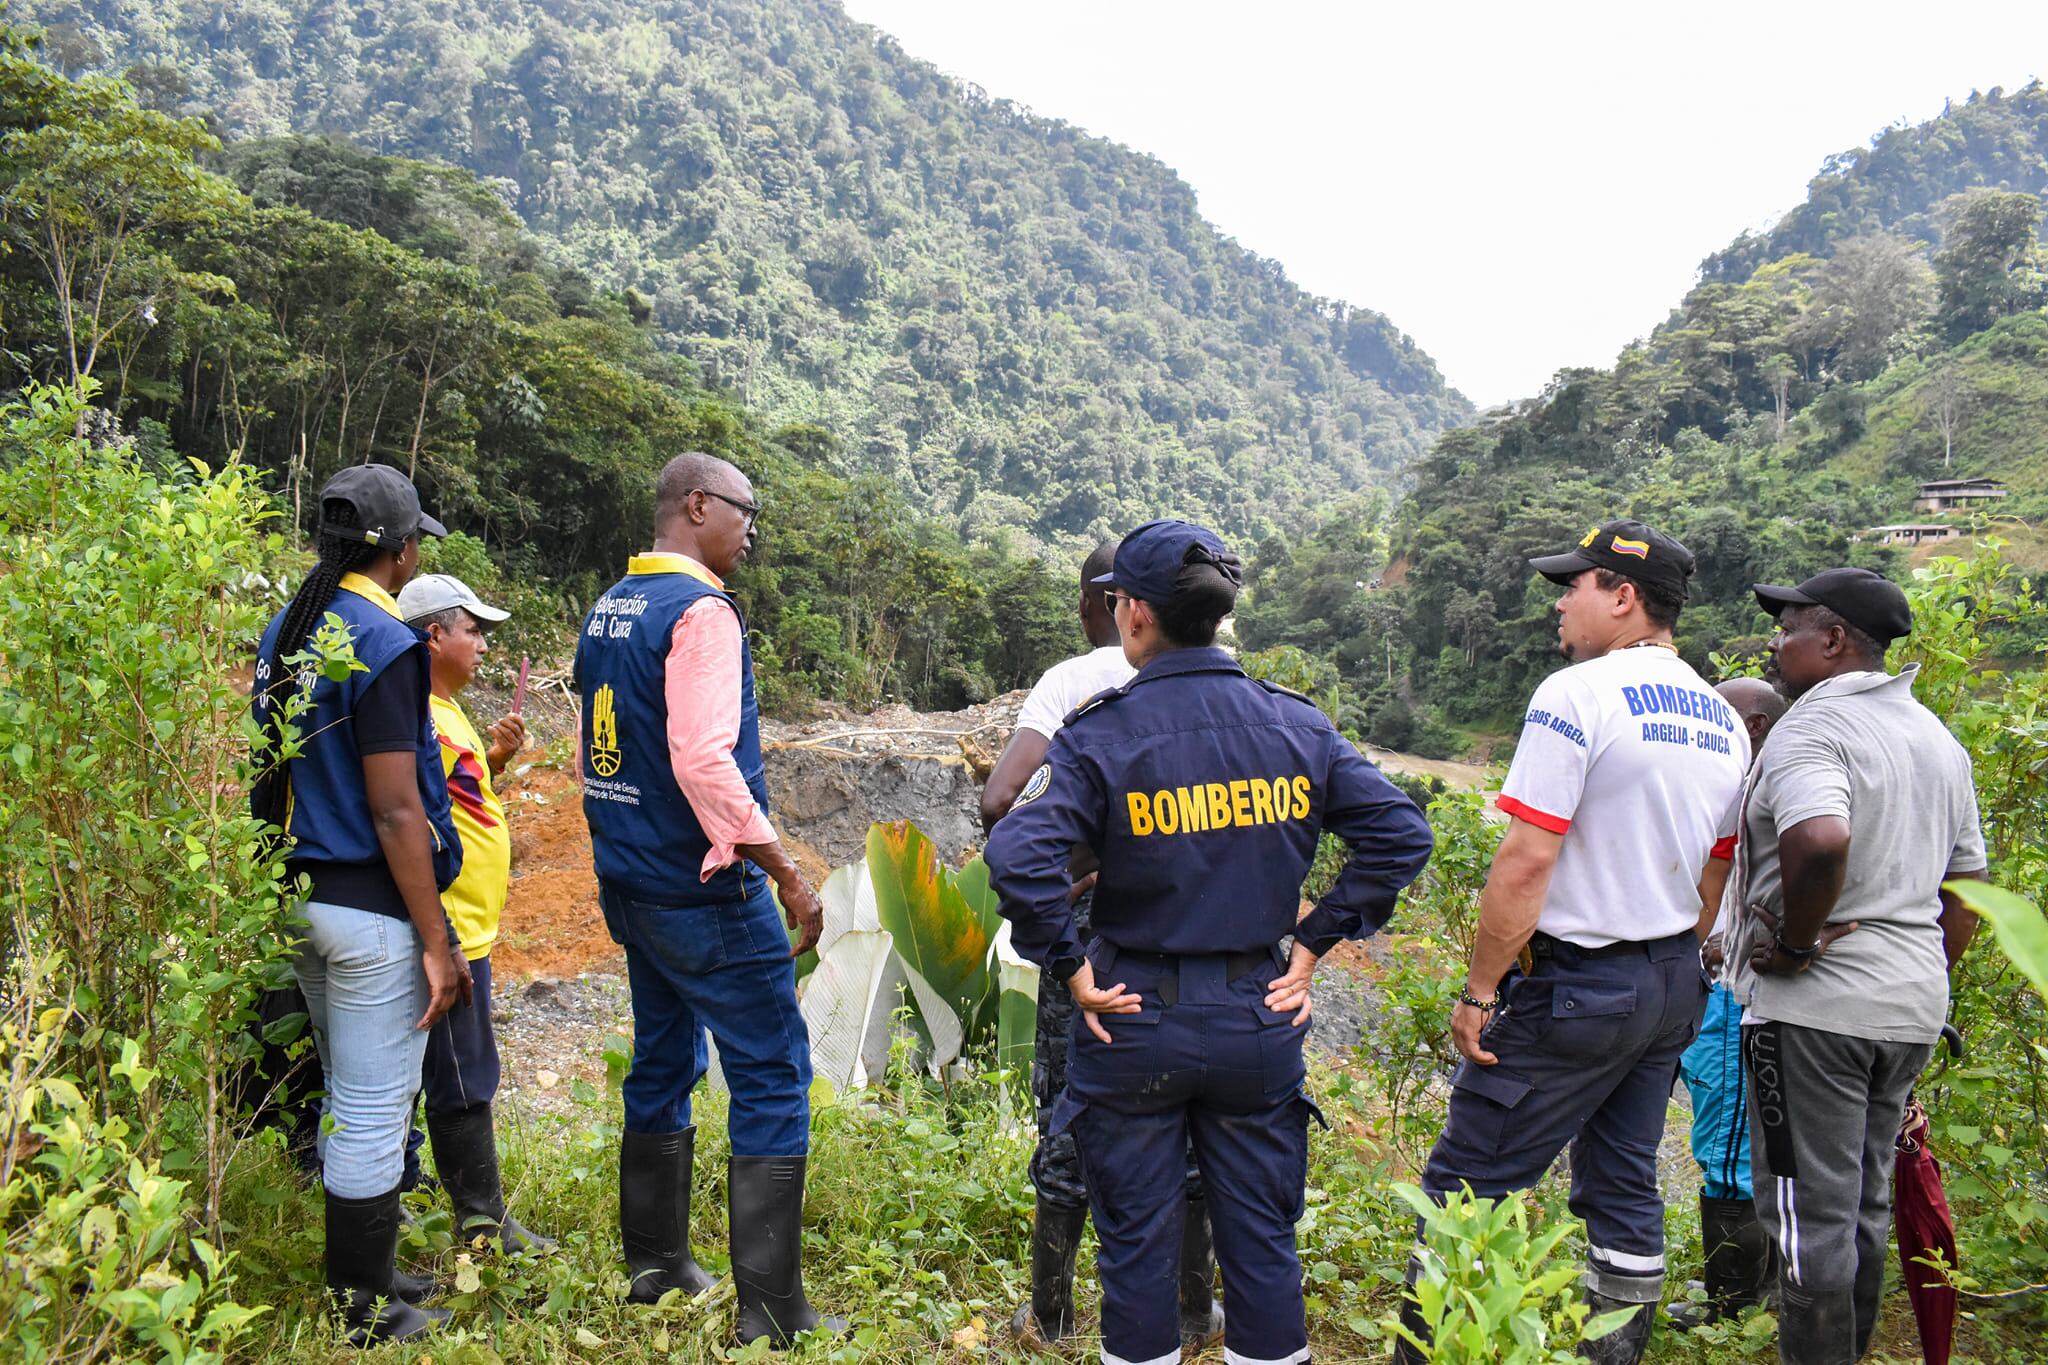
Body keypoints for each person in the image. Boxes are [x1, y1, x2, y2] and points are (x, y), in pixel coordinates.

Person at [987, 518, 1434, 1365]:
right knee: (1263, 1243)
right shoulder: (1295, 726)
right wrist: (1312, 943)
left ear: (1135, 615)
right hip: (1255, 1016)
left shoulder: (1103, 730)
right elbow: (1401, 836)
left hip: (1130, 1018)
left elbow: (1013, 847)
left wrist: (1072, 967)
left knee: (1134, 1248)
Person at [1400, 519, 1749, 1365]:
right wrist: (1662, 964)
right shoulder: (1725, 719)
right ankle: (1616, 1351)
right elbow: (1715, 877)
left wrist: (1481, 989)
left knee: (1467, 1185)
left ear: (1624, 598)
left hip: (1575, 985)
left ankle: (1429, 1353)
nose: (1562, 601)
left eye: (1577, 584)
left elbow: (1526, 860)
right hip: (1670, 981)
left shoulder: (1577, 694)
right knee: (1626, 1179)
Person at [574, 451, 843, 1347]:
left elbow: (598, 758)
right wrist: (785, 870)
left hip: (632, 880)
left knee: (661, 1058)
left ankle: (654, 1264)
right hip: (702, 887)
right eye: (745, 509)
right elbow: (699, 757)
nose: (753, 527)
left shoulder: (611, 606)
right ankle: (771, 1309)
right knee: (770, 1066)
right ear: (697, 505)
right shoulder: (702, 613)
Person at [1728, 567, 1986, 1365]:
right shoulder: (1937, 739)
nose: (1777, 642)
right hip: (1907, 1010)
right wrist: (1920, 970)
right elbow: (1970, 888)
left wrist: (1800, 948)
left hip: (1816, 1018)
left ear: (1834, 640)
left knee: (1809, 1218)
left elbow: (1821, 839)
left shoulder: (1813, 729)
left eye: (1791, 626)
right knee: (1864, 1207)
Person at [982, 542, 1224, 1353]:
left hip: (1096, 943)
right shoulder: (1224, 679)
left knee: (1073, 1110)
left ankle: (1049, 1312)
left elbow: (1003, 801)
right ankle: (1196, 1310)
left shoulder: (1072, 681)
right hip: (1205, 932)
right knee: (1197, 1111)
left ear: (1111, 602)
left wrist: (1077, 873)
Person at [250, 465, 471, 1346]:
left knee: (350, 1092)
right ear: (403, 550)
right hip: (367, 907)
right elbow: (395, 806)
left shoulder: (289, 625)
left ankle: (370, 1271)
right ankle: (362, 1308)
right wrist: (434, 936)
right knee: (378, 1107)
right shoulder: (383, 638)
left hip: (298, 895)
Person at [395, 572, 553, 1254]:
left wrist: (495, 756)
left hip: (466, 925)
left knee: (446, 1065)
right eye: (472, 629)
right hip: (448, 926)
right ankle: (484, 1227)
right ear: (434, 634)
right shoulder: (419, 712)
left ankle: (422, 1195)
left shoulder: (446, 709)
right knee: (462, 1072)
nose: (483, 644)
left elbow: (456, 796)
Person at [1668, 677, 1786, 1331]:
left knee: (1729, 1151)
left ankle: (1731, 1309)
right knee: (1744, 1145)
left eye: (1725, 715)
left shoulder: (1762, 791)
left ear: (1759, 723)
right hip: (1719, 987)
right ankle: (1751, 1290)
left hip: (1734, 995)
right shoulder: (1751, 787)